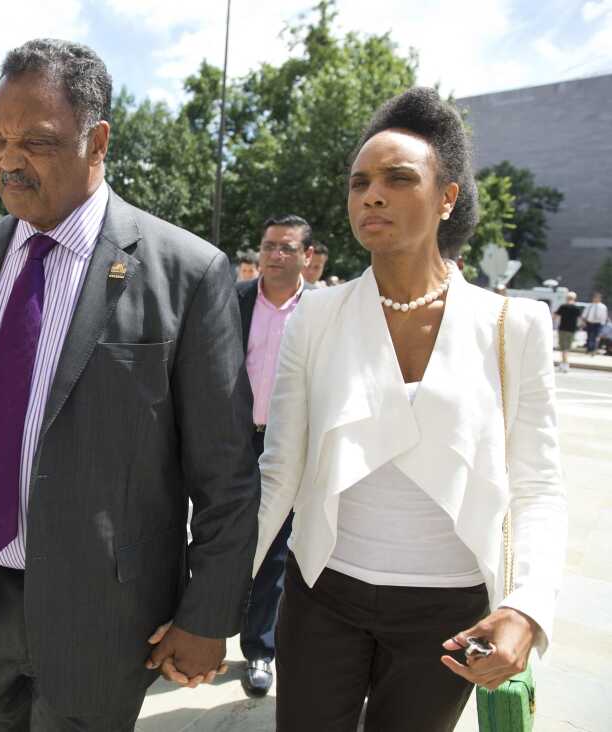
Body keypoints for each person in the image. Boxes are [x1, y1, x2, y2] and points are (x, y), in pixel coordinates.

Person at [0, 39, 259, 731]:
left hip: (106, 615)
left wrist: (208, 615)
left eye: (37, 140)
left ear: (98, 141)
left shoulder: (186, 272)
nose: (8, 160)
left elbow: (227, 473)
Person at [257, 87, 566, 731]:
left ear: (447, 197)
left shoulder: (515, 324)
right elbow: (278, 473)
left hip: (452, 617)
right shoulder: (316, 317)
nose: (372, 195)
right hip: (322, 596)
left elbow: (537, 487)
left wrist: (526, 608)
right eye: (360, 181)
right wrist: (211, 594)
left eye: (399, 179)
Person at [235, 213, 313, 697]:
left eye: (286, 247)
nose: (275, 255)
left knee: (275, 551)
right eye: (268, 246)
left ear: (307, 255)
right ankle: (193, 630)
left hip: (289, 446)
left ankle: (260, 648)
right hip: (233, 440)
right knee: (216, 537)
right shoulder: (233, 298)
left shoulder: (322, 312)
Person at [553, 291, 584, 372]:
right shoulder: (576, 308)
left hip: (562, 329)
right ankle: (564, 363)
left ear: (567, 298)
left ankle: (564, 364)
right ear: (575, 298)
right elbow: (580, 320)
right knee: (567, 348)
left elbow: (555, 316)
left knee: (563, 348)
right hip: (571, 330)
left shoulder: (563, 306)